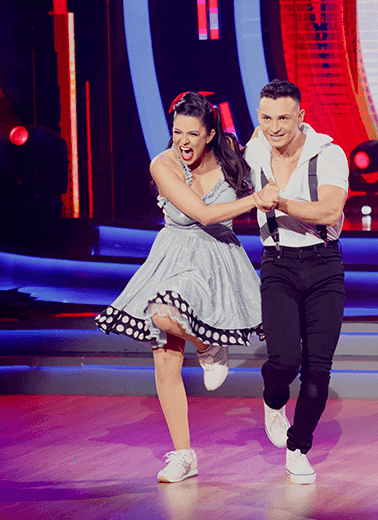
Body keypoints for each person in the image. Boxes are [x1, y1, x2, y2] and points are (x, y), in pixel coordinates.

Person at [95, 91, 279, 483]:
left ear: (209, 134)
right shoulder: (163, 164)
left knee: (163, 318)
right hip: (175, 257)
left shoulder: (232, 155)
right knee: (164, 347)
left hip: (218, 260)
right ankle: (184, 453)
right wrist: (255, 201)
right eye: (177, 131)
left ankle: (209, 347)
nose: (183, 140)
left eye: (192, 133)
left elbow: (270, 143)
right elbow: (202, 213)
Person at [245, 80, 348, 484]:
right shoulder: (254, 151)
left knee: (317, 370)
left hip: (323, 264)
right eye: (267, 118)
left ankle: (298, 447)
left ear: (300, 117)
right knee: (284, 361)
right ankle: (273, 400)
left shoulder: (328, 153)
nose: (274, 127)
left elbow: (330, 211)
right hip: (278, 263)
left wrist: (281, 202)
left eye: (283, 118)